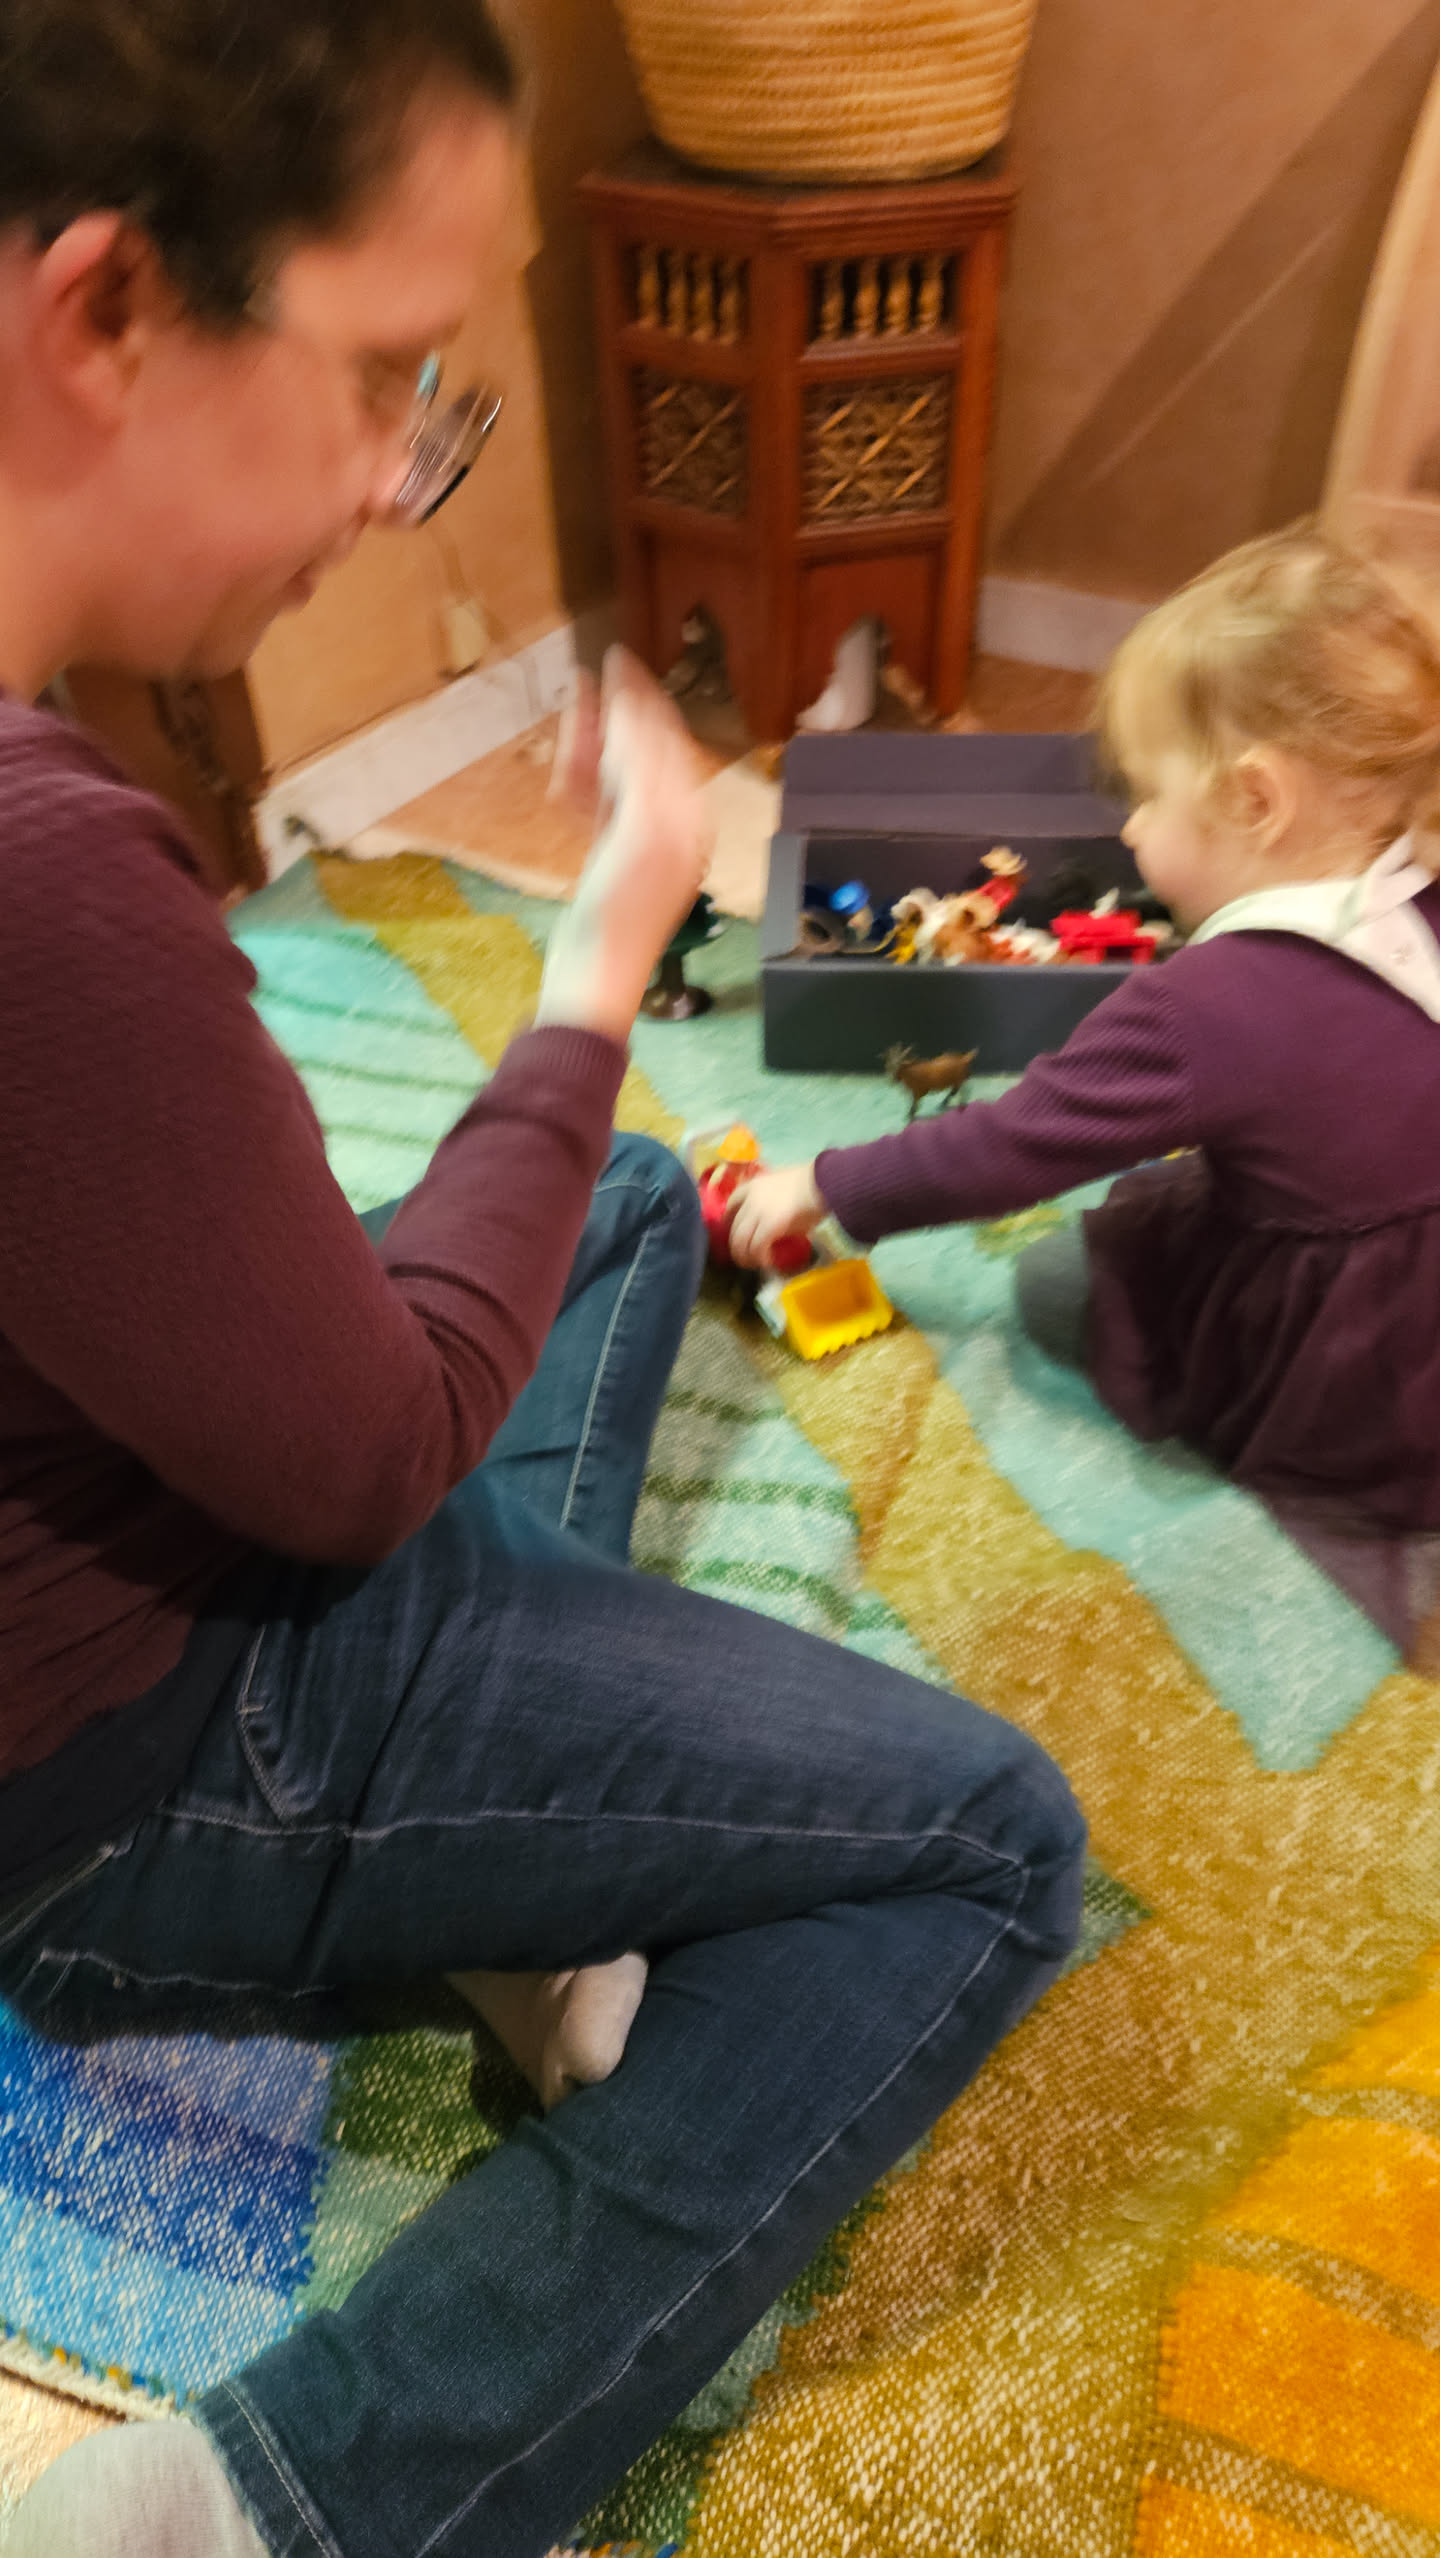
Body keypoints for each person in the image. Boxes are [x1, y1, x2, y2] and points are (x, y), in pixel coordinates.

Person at [0, 5, 1087, 2552]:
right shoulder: (49, 881)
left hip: (168, 1542)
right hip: (135, 1762)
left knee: (612, 1199)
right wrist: (605, 943)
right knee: (989, 1841)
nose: (400, 480)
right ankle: (279, 2494)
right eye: (386, 373)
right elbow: (368, 1461)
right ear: (108, 311)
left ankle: (528, 1889)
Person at [734, 523, 1440, 1533]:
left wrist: (823, 1184)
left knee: (1072, 1277)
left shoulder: (1200, 1005)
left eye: (1147, 794)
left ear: (1255, 799)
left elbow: (1010, 1145)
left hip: (1358, 1367)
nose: (1130, 826)